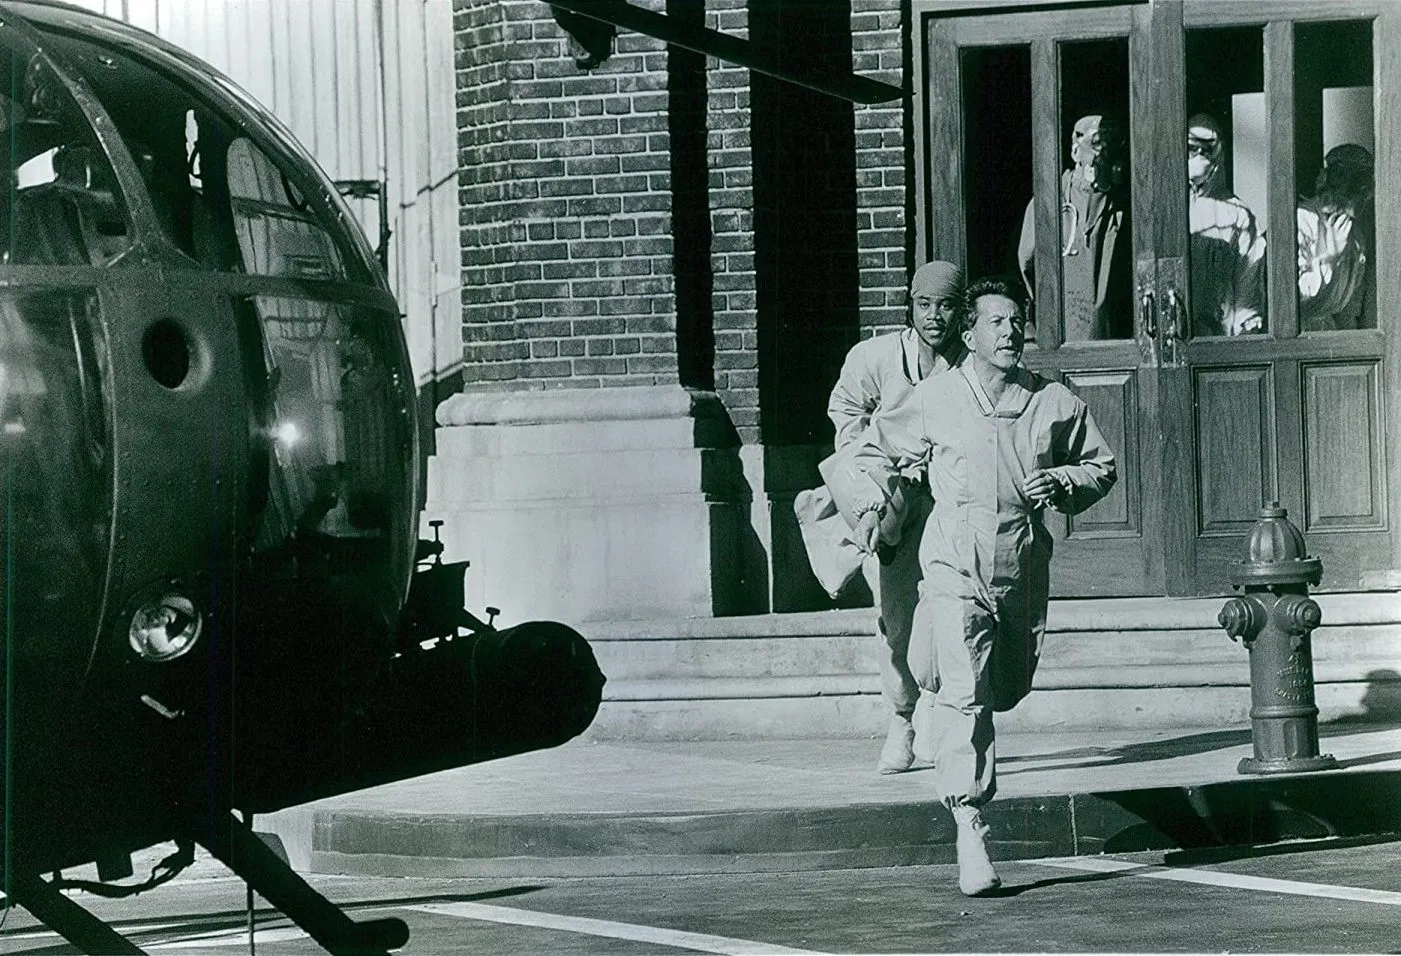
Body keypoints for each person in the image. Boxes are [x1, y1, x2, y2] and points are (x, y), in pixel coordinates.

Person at [848, 275, 1116, 895]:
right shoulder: (936, 397)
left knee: (1005, 682)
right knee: (966, 687)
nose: (1011, 331)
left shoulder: (1052, 401)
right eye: (996, 322)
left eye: (1017, 321)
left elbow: (1102, 465)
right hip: (952, 561)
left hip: (1020, 564)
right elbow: (870, 449)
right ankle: (971, 825)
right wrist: (876, 502)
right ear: (969, 334)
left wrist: (1067, 482)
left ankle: (924, 660)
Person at [824, 260, 966, 775]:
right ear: (911, 304)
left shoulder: (970, 363)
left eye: (947, 305)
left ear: (961, 309)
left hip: (950, 504)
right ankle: (900, 719)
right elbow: (845, 412)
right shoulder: (877, 356)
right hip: (893, 507)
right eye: (925, 305)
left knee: (950, 611)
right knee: (897, 619)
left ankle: (936, 710)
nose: (935, 317)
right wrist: (872, 466)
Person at [1017, 114, 1132, 341]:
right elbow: (1025, 264)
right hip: (1061, 333)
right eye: (1098, 141)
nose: (1104, 152)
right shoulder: (1049, 202)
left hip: (1113, 338)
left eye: (1114, 141)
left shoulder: (1123, 204)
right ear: (1075, 146)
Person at [1187, 113, 1266, 337]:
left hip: (1216, 335)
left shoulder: (1237, 215)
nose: (1200, 154)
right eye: (1192, 147)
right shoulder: (1165, 208)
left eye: (1207, 148)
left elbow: (1248, 282)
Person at [1297, 143, 1374, 331]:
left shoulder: (1356, 236)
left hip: (1332, 337)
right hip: (1299, 334)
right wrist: (1331, 257)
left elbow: (1349, 311)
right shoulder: (1302, 220)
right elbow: (1297, 298)